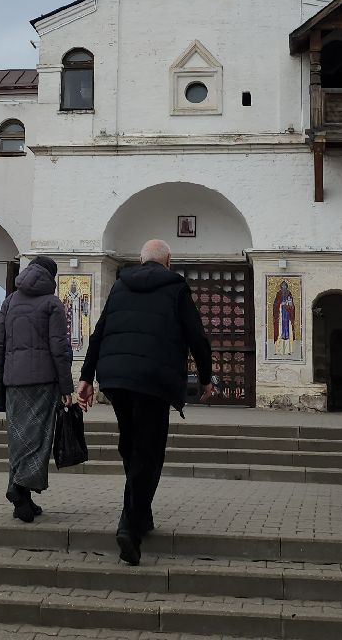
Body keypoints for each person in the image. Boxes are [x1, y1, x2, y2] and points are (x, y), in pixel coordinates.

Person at [76, 238, 214, 566]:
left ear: (140, 261)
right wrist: (206, 377)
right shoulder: (176, 288)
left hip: (116, 379)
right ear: (168, 261)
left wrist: (86, 377)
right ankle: (129, 526)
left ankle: (142, 512)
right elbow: (196, 336)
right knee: (148, 453)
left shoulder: (120, 286)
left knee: (131, 445)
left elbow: (98, 332)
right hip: (153, 381)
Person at [0, 255, 73, 523]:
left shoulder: (9, 301)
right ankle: (19, 488)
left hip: (14, 382)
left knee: (18, 439)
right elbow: (59, 349)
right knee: (38, 439)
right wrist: (67, 386)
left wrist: (0, 381)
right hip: (43, 383)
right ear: (51, 276)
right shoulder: (52, 303)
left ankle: (22, 499)